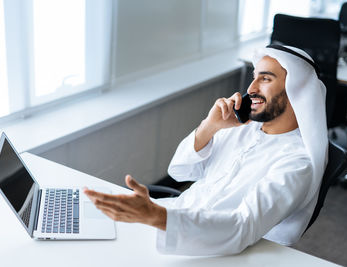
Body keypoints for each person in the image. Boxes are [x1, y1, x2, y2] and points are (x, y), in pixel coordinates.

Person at [84, 45, 328, 256]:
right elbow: (179, 171)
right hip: (172, 218)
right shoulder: (240, 129)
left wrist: (157, 216)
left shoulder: (298, 163)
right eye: (254, 77)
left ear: (296, 90)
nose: (251, 88)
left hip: (210, 247)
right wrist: (210, 127)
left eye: (265, 79)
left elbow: (242, 226)